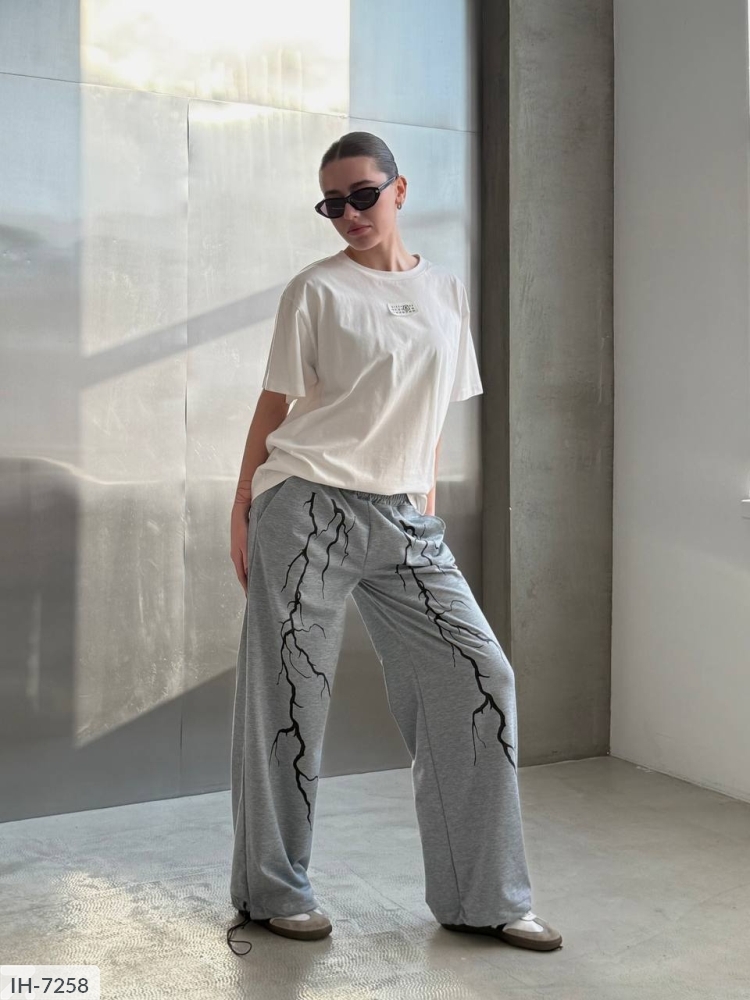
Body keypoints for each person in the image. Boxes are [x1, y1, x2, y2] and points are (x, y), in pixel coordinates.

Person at [226, 132, 562, 956]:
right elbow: (275, 406)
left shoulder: (445, 291)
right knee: (288, 698)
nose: (349, 214)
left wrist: (423, 496)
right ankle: (273, 891)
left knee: (479, 678)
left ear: (399, 190)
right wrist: (242, 506)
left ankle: (485, 898)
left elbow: (431, 407)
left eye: (363, 196)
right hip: (305, 506)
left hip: (403, 518)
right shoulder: (316, 290)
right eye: (332, 204)